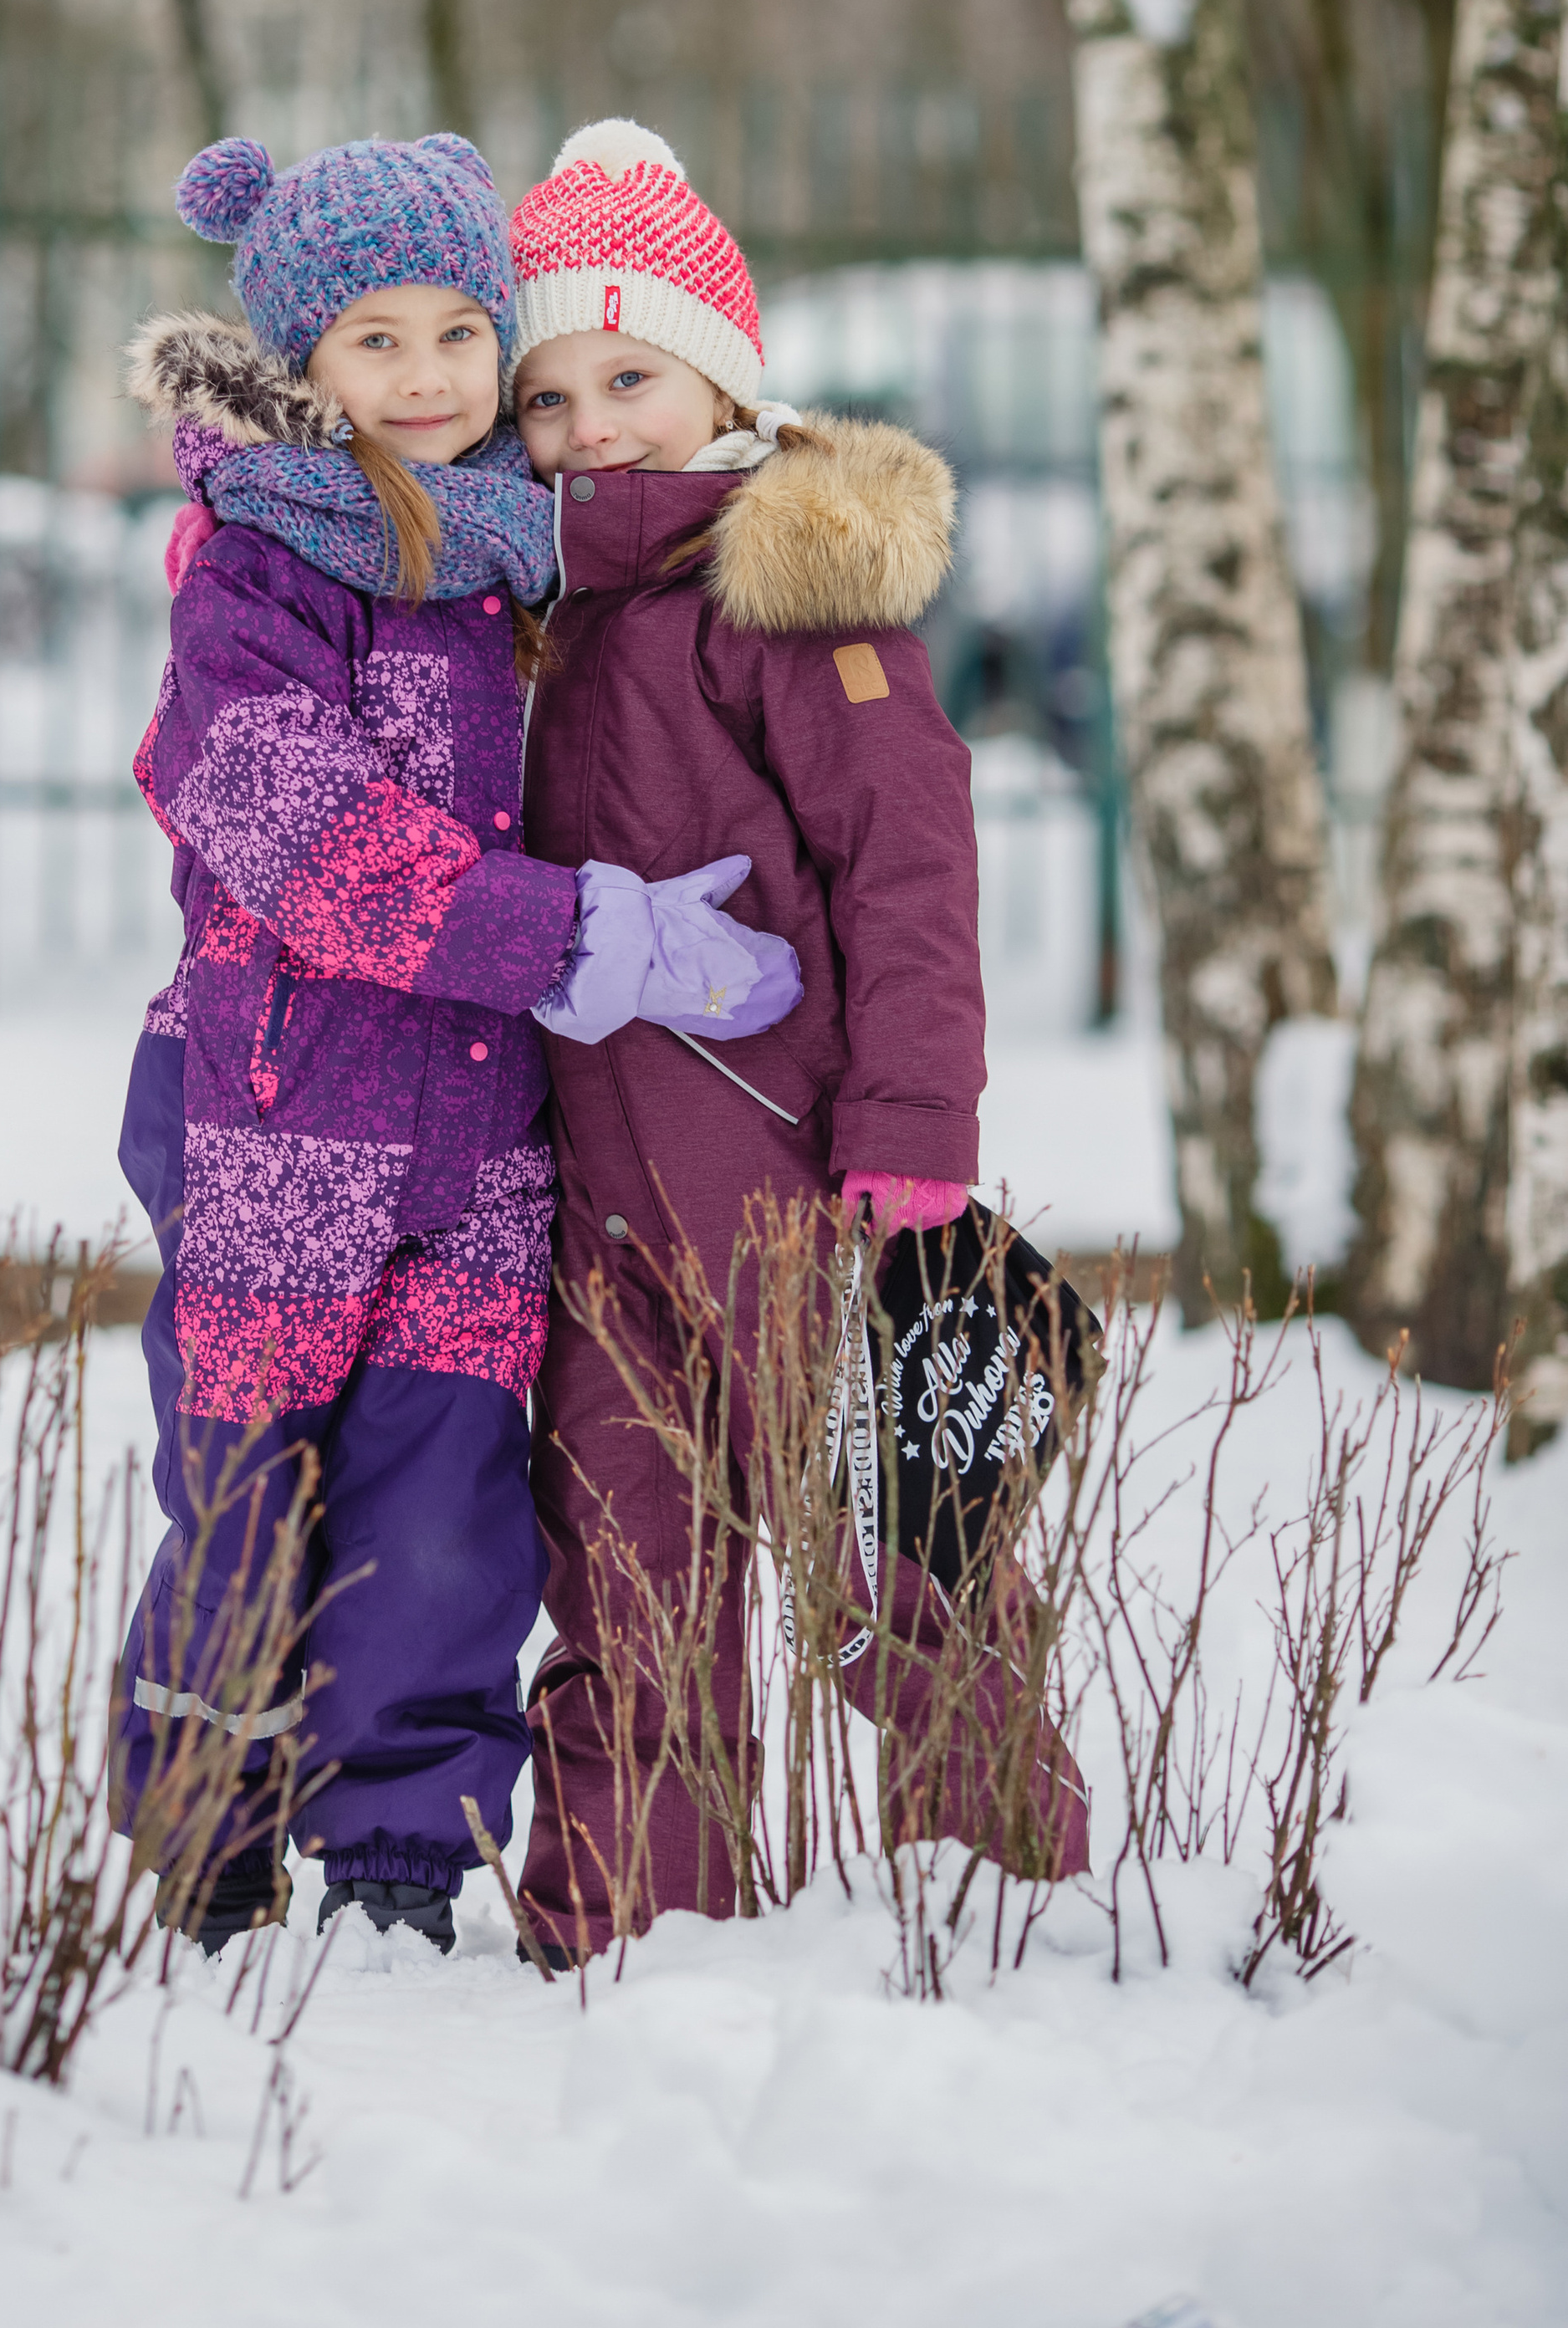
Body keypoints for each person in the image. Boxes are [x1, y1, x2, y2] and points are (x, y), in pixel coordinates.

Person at [110, 127, 800, 1958]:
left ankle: (402, 1849)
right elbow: (299, 832)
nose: (423, 379)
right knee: (248, 1489)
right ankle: (203, 1833)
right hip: (275, 1119)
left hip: (480, 1143)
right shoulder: (255, 572)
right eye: (373, 343)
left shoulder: (525, 568)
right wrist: (577, 936)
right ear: (300, 366)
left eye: (455, 336)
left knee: (443, 1511)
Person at [504, 118, 1089, 1955]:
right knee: (623, 1575)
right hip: (595, 1215)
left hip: (795, 1202)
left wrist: (914, 1122)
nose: (592, 426)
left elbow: (906, 865)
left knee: (871, 1571)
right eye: (546, 396)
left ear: (719, 378)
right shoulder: (542, 613)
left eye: (630, 375)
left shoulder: (784, 593)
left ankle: (1004, 1885)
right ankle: (627, 1923)